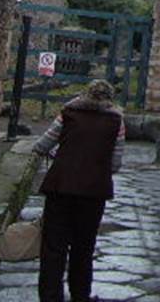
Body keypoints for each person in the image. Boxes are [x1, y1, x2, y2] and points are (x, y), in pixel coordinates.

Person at [32, 79, 125, 302]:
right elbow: (116, 163)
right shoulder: (116, 121)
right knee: (84, 247)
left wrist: (58, 155)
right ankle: (80, 295)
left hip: (60, 187)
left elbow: (42, 145)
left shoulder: (68, 113)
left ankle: (50, 296)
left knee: (54, 246)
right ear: (109, 99)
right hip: (93, 193)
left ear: (85, 94)